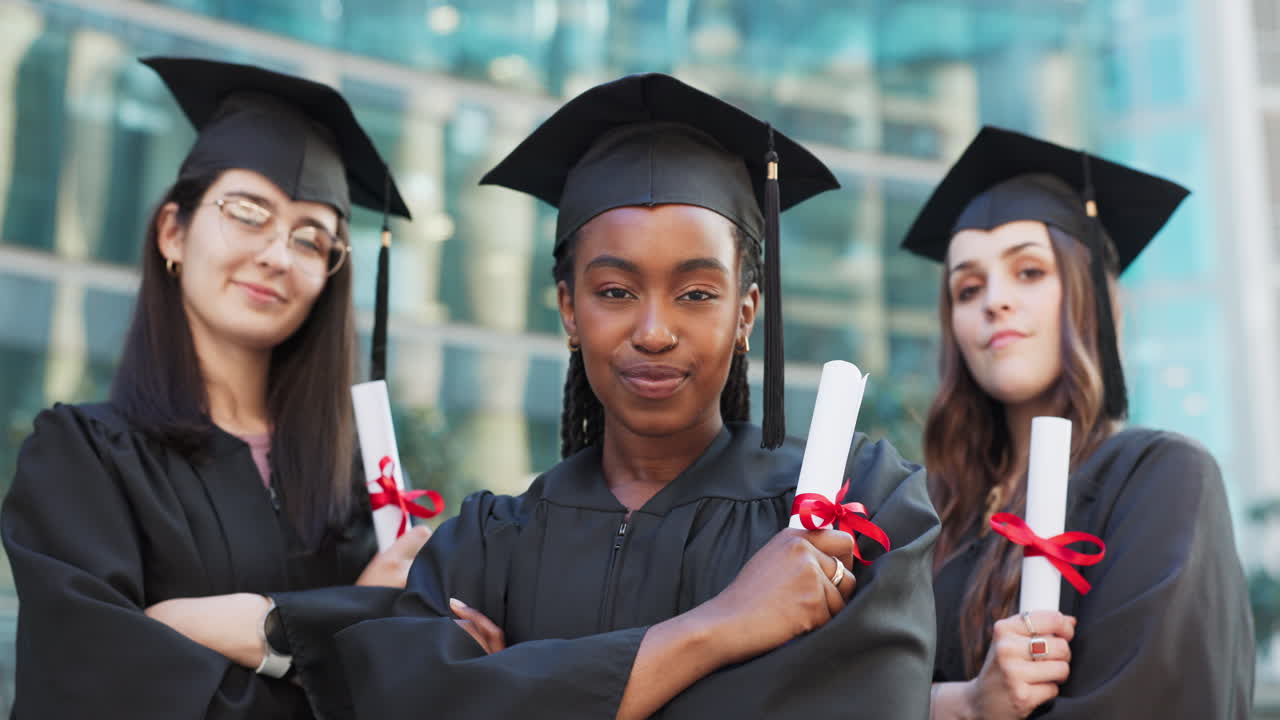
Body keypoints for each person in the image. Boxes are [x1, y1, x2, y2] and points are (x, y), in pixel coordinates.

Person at [271, 73, 940, 720]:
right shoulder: (484, 545)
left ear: (746, 312)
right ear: (568, 308)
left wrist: (519, 687)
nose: (654, 332)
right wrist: (723, 626)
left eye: (697, 293)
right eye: (615, 292)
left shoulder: (849, 510)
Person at [0, 57, 432, 719]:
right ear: (173, 232)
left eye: (312, 239)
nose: (278, 255)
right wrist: (337, 636)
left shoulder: (356, 486)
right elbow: (99, 691)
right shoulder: (82, 460)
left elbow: (417, 680)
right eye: (247, 213)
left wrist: (258, 626)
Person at [900, 126, 1255, 719]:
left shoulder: (1157, 479)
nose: (995, 301)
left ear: (1090, 296)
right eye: (967, 288)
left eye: (1030, 272)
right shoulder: (930, 512)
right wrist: (963, 704)